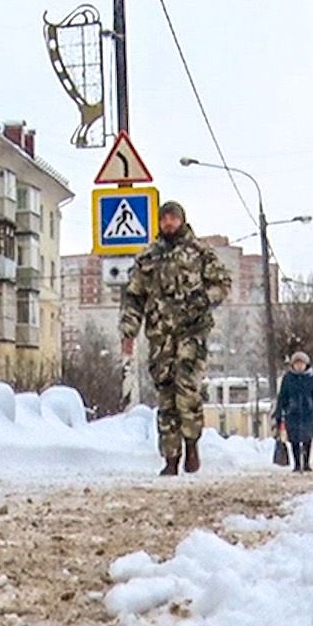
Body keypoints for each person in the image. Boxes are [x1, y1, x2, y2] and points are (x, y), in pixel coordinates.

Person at [120, 201, 232, 477]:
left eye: (173, 218)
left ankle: (192, 443)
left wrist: (204, 299)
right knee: (166, 394)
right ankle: (171, 457)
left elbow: (222, 283)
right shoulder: (148, 258)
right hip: (160, 336)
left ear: (182, 220)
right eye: (164, 218)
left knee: (187, 388)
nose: (169, 223)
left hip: (191, 331)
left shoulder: (199, 252)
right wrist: (128, 331)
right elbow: (134, 297)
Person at [277, 351, 313, 473]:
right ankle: (297, 464)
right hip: (292, 413)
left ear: (306, 365)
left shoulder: (311, 378)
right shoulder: (288, 378)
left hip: (308, 413)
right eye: (297, 363)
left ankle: (306, 462)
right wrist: (280, 411)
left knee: (307, 437)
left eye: (302, 363)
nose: (299, 366)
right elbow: (282, 396)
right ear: (293, 365)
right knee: (294, 438)